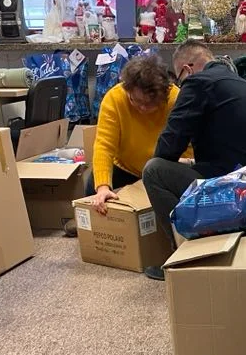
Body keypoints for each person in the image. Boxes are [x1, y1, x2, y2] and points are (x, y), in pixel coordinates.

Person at [141, 40, 246, 278]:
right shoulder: (238, 83)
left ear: (187, 69)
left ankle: (183, 262)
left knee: (154, 171)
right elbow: (231, 146)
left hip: (242, 191)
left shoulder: (197, 82)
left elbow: (167, 147)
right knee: (184, 169)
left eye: (179, 80)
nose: (181, 85)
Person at [67, 54, 184, 236]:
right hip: (126, 167)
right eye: (136, 101)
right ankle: (91, 224)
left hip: (163, 168)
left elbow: (188, 147)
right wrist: (103, 188)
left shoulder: (176, 99)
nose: (142, 108)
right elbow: (104, 146)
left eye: (149, 103)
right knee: (94, 182)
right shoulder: (115, 98)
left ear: (163, 94)